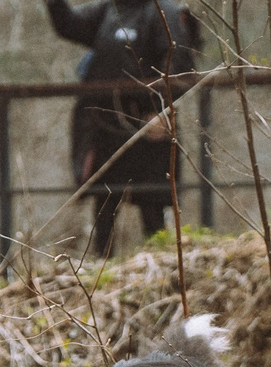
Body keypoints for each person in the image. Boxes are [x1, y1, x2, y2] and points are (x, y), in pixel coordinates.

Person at [47, 0, 200, 257]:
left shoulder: (164, 12)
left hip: (148, 126)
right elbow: (68, 25)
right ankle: (101, 269)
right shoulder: (107, 11)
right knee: (105, 206)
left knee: (152, 207)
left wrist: (162, 109)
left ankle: (162, 267)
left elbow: (179, 59)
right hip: (106, 129)